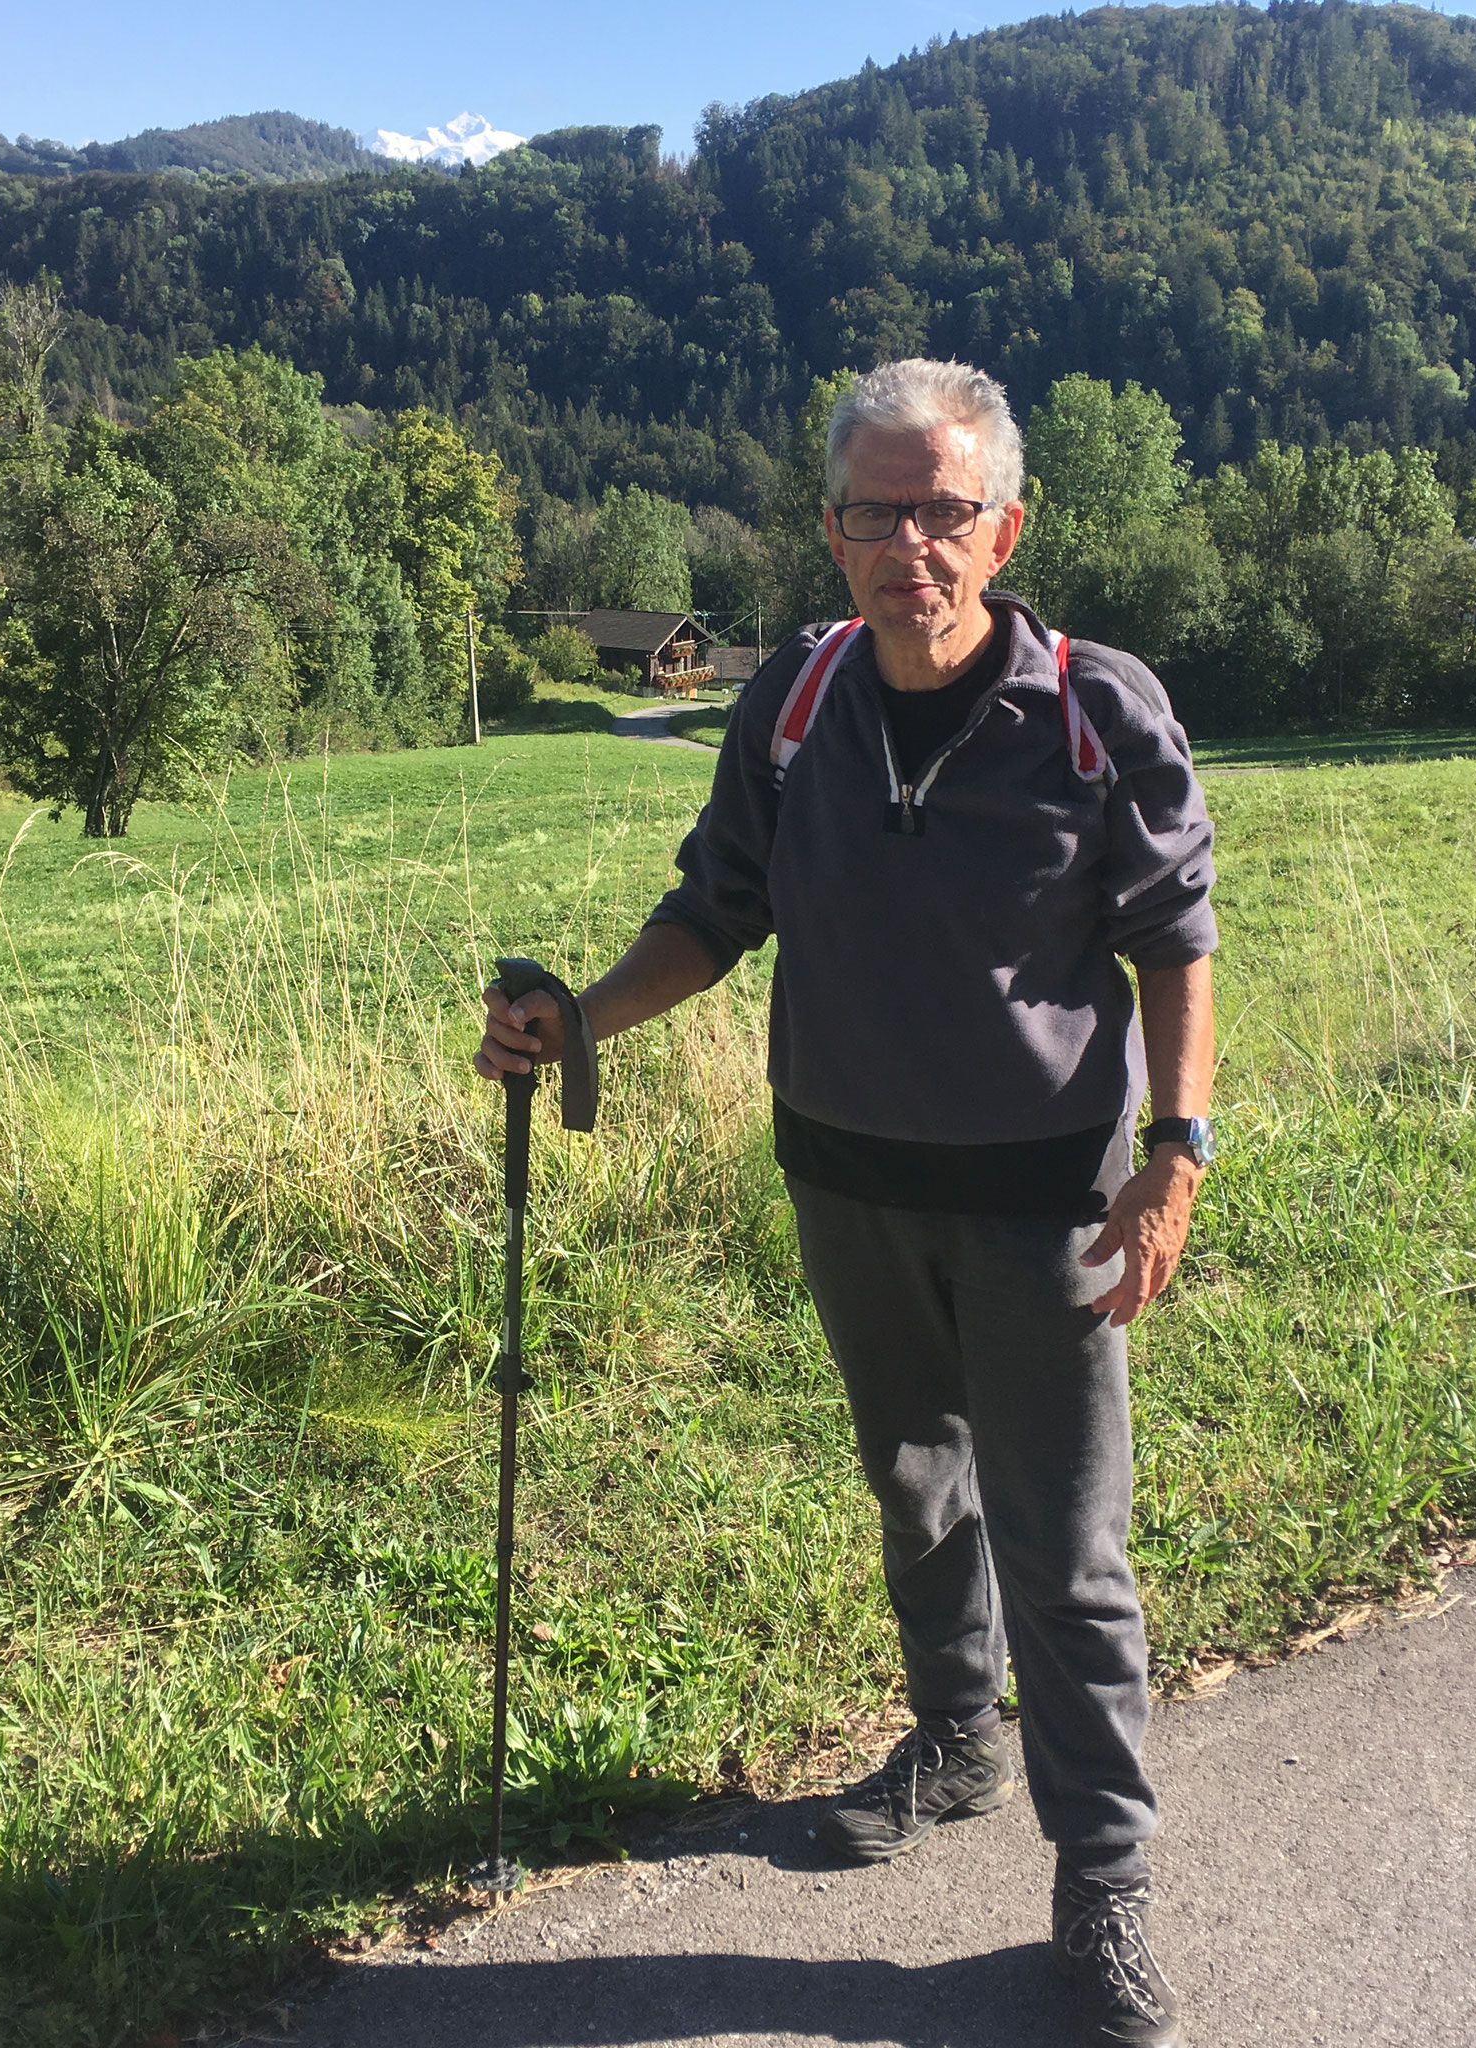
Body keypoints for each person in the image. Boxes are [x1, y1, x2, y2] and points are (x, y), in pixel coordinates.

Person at [477, 357, 1217, 2047]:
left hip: (1047, 1204)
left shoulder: (1095, 709)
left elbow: (1176, 940)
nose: (911, 544)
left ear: (1004, 524)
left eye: (944, 510)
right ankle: (958, 1744)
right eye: (878, 512)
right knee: (912, 1483)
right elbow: (714, 912)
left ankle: (1102, 1885)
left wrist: (1176, 1154)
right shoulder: (794, 705)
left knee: (1067, 1550)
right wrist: (581, 1014)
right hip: (848, 1181)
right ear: (832, 533)